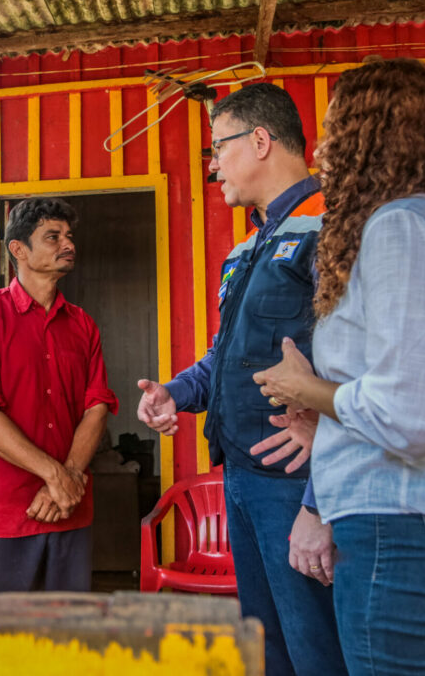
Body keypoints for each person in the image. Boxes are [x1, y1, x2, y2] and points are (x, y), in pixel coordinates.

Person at [254, 58, 425, 674]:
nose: (322, 150)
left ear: (375, 136)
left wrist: (309, 388)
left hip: (406, 533)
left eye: (335, 130)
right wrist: (329, 421)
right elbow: (413, 396)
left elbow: (410, 414)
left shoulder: (400, 227)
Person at [135, 83, 347, 676]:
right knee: (268, 649)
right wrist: (174, 393)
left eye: (217, 147)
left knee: (317, 652)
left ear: (260, 141)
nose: (212, 165)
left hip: (298, 485)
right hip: (243, 479)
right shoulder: (245, 249)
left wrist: (320, 498)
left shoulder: (330, 227)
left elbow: (358, 369)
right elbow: (225, 359)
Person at [0, 197, 118, 592]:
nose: (68, 244)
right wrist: (57, 476)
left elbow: (97, 407)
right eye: (53, 236)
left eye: (69, 236)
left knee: (67, 625)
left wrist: (68, 478)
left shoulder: (83, 325)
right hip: (2, 512)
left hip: (69, 509)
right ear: (19, 249)